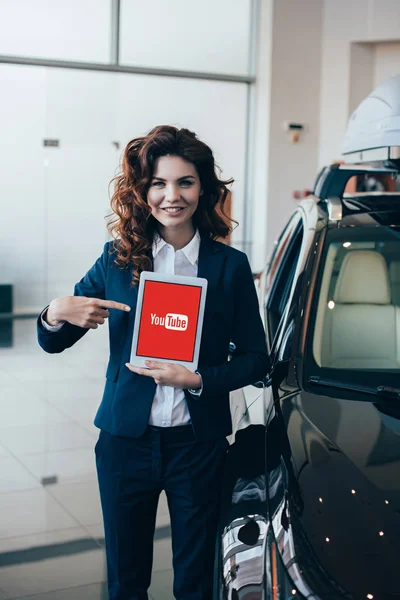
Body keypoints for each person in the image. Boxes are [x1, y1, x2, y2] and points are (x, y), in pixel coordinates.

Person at [37, 125, 270, 600]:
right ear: (143, 193)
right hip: (126, 445)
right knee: (125, 581)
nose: (172, 196)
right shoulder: (119, 261)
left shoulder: (229, 268)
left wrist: (199, 378)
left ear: (203, 188)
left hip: (197, 447)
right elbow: (53, 342)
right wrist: (55, 312)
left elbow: (256, 361)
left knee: (195, 581)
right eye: (159, 184)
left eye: (185, 182)